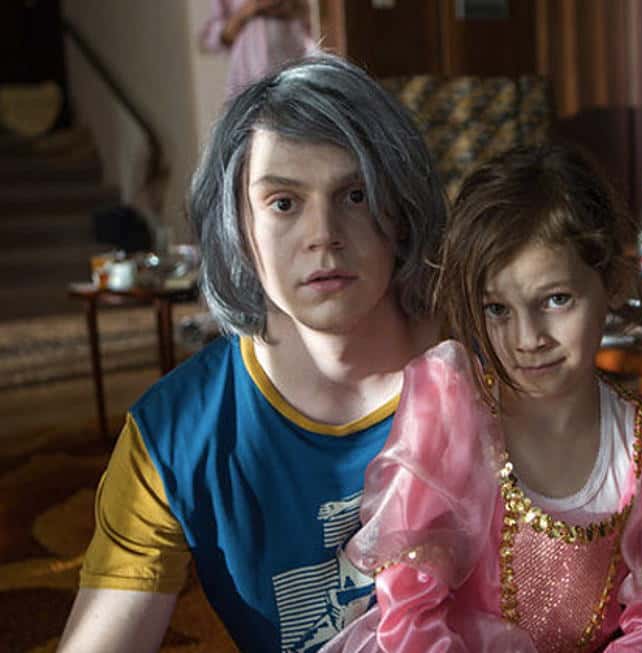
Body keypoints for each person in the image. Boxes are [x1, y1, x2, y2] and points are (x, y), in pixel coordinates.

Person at [57, 55, 447, 653]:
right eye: (284, 202)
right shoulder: (173, 434)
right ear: (237, 226)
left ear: (400, 212)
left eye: (355, 194)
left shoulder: (490, 372)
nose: (324, 234)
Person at [323, 144, 642, 652]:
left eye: (556, 300)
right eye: (497, 309)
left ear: (612, 283)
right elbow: (411, 613)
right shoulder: (451, 421)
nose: (528, 338)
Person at [200, 0, 317, 98]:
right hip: (248, 77)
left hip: (295, 70)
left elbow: (312, 17)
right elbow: (211, 38)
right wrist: (248, 10)